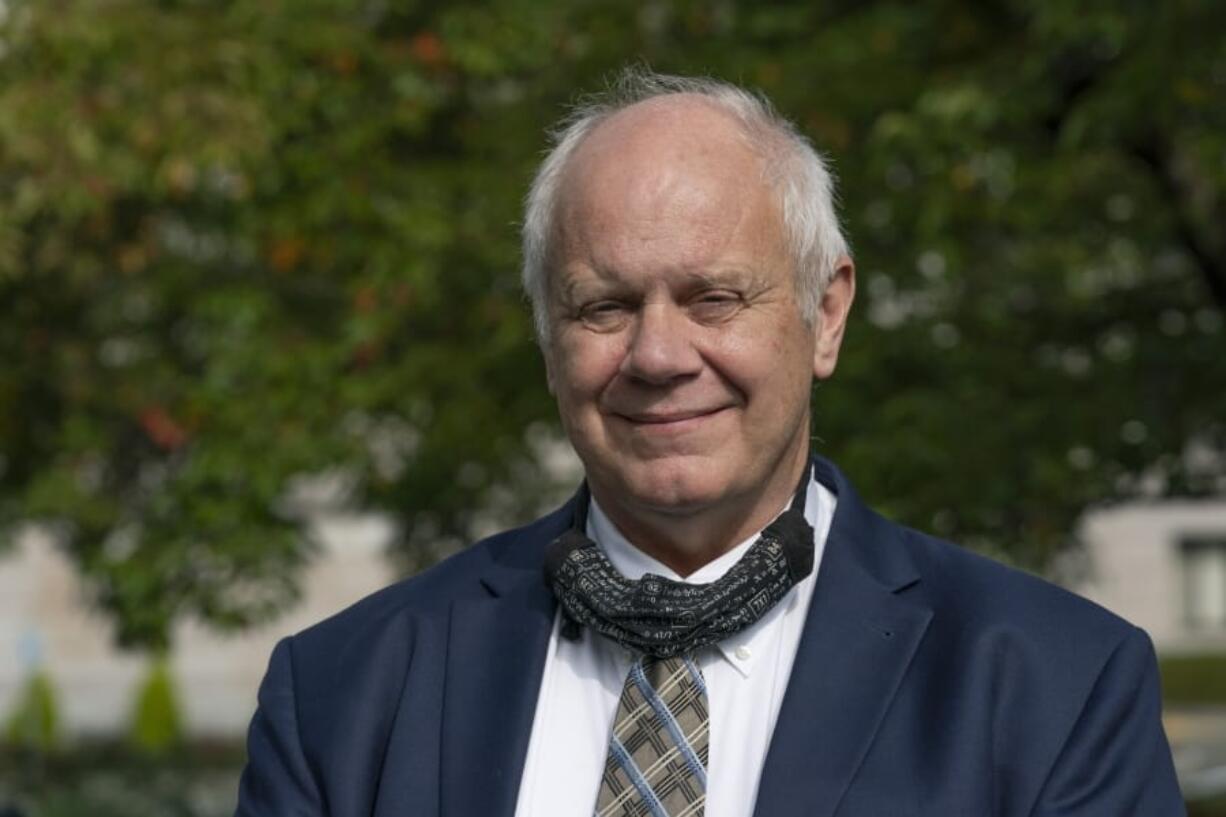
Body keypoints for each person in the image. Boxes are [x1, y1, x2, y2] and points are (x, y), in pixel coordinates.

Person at [235, 71, 1184, 816]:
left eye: (714, 299)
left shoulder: (1052, 684)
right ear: (545, 335)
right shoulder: (344, 692)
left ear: (826, 315)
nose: (656, 354)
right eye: (603, 305)